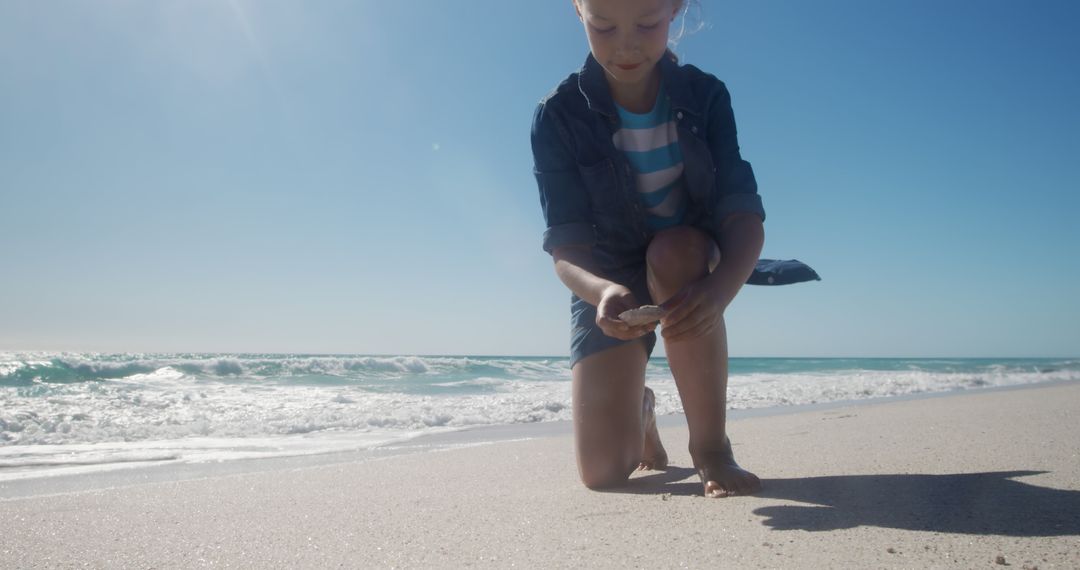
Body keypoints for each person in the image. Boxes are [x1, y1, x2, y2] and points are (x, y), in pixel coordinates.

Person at [530, 0, 765, 498]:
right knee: (603, 473)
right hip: (606, 273)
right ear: (578, 11)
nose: (627, 43)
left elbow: (742, 215)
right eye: (604, 25)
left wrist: (720, 290)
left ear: (675, 9)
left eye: (647, 22)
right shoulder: (557, 115)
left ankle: (711, 449)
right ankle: (642, 410)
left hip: (686, 257)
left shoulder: (706, 96)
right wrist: (602, 291)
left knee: (673, 253)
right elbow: (566, 249)